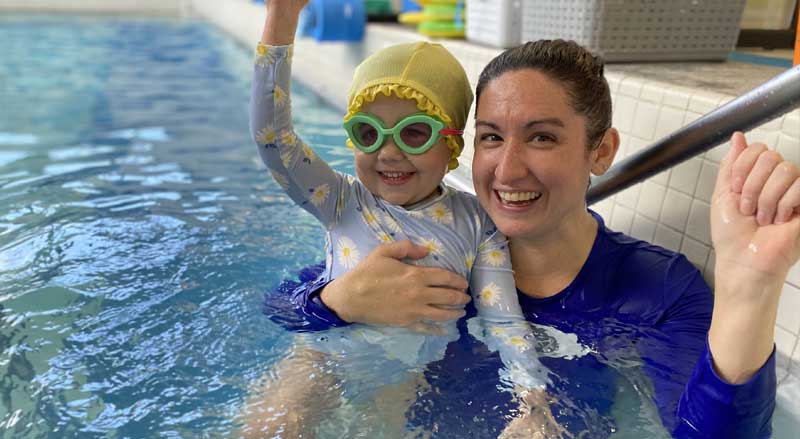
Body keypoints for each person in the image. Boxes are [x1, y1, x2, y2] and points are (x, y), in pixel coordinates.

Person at [265, 39, 800, 438]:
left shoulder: (655, 290)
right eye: (492, 137)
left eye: (542, 137)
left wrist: (748, 290)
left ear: (601, 152)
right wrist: (335, 302)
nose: (507, 169)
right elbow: (282, 307)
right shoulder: (438, 242)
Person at [243, 1, 549, 436]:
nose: (388, 152)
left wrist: (532, 400)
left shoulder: (477, 224)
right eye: (368, 132)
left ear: (452, 144)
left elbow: (503, 320)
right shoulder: (340, 200)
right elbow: (272, 138)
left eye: (415, 132)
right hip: (320, 357)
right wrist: (282, 18)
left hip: (404, 374)